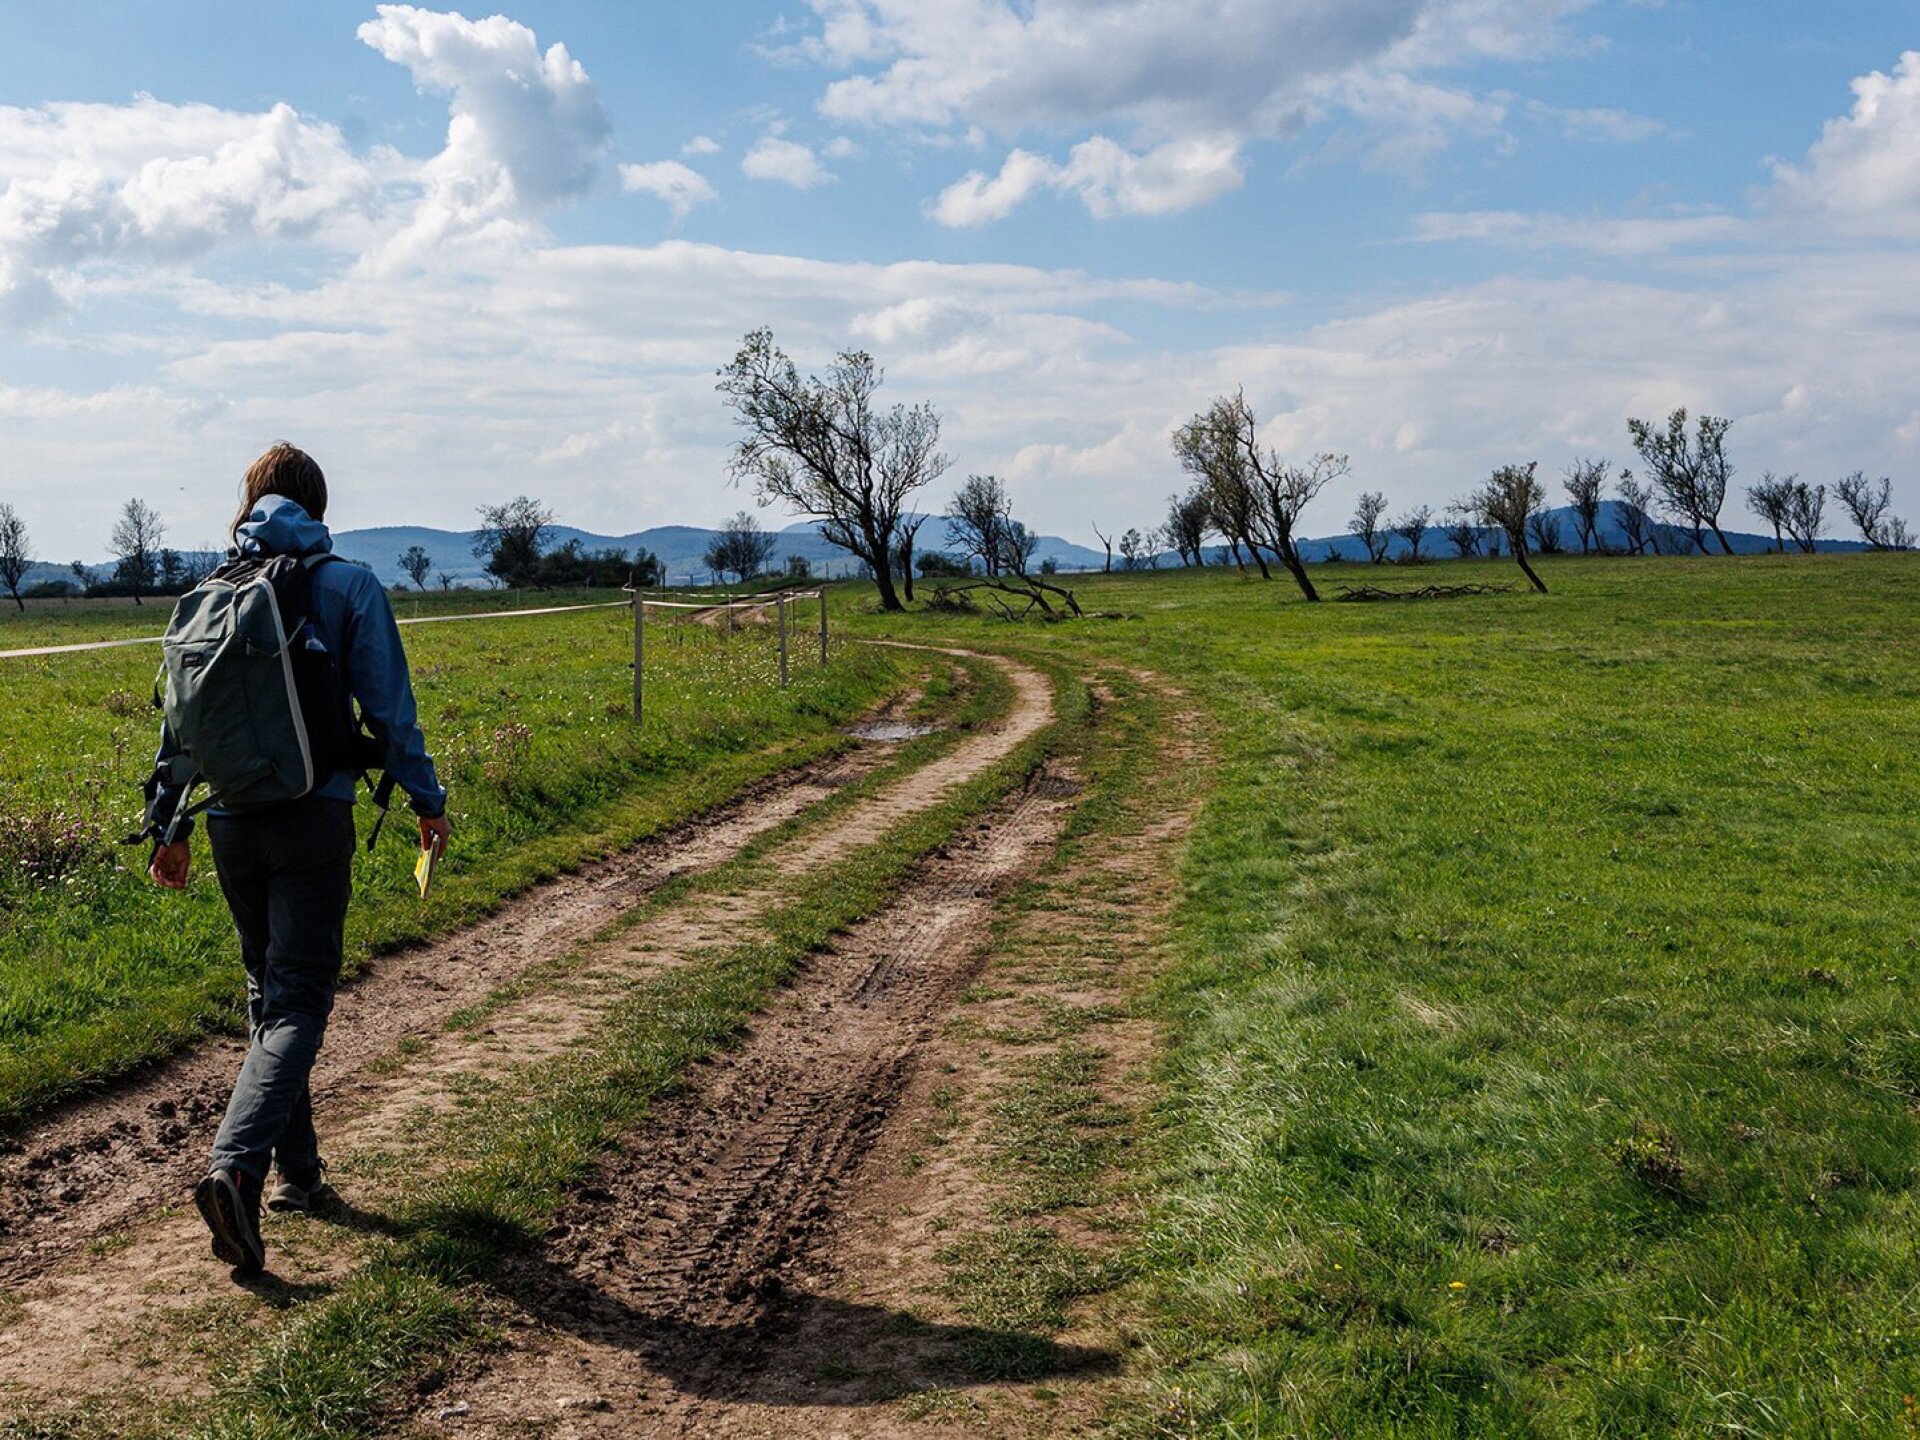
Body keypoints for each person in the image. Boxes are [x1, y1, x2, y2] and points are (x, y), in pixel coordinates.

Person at [147, 443, 450, 1278]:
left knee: (268, 995)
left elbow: (179, 727)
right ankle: (236, 1169)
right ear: (316, 505)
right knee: (298, 1004)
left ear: (250, 503)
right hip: (314, 819)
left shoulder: (208, 592)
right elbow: (390, 709)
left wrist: (168, 825)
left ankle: (298, 1179)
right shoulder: (346, 584)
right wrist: (428, 801)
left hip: (231, 824)